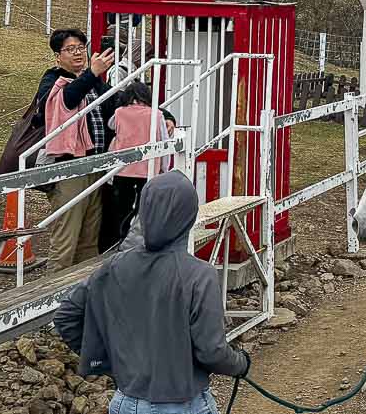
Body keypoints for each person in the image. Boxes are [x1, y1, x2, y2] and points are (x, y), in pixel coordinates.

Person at [55, 170, 250, 411]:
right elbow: (212, 352)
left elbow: (66, 315)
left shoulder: (115, 265)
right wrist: (241, 364)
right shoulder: (200, 275)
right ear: (188, 217)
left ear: (144, 213)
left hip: (125, 402)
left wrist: (108, 361)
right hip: (181, 405)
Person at [38, 28, 117, 270]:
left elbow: (117, 100)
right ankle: (49, 299)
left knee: (89, 240)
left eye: (81, 48)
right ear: (57, 56)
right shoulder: (53, 79)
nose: (77, 53)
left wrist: (162, 114)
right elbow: (67, 100)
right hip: (69, 168)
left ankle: (83, 295)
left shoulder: (93, 82)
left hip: (96, 165)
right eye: (70, 49)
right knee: (65, 240)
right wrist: (92, 73)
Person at [100, 81, 173, 252]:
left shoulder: (119, 112)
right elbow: (163, 142)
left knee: (123, 209)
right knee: (143, 210)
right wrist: (164, 168)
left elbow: (111, 125)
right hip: (147, 170)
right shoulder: (156, 115)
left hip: (123, 170)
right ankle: (140, 244)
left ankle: (123, 241)